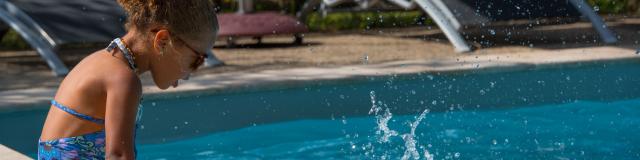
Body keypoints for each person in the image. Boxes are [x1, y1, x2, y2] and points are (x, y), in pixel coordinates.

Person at [37, 0, 218, 159]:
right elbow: (118, 156)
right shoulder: (123, 80)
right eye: (197, 60)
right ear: (162, 40)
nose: (190, 74)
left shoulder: (102, 61)